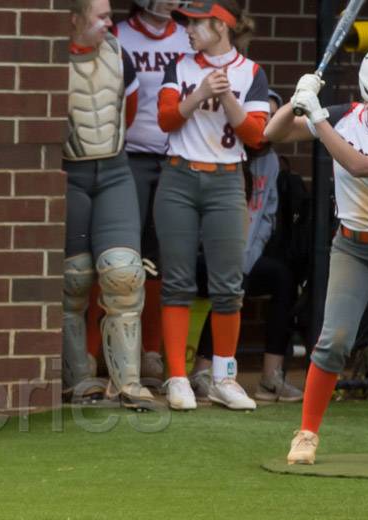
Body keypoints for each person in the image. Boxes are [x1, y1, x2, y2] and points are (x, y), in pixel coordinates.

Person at [265, 47, 368, 464]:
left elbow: (361, 165)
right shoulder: (344, 116)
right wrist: (298, 98)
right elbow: (273, 134)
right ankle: (307, 432)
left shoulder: (330, 121)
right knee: (333, 341)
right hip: (355, 245)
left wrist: (315, 116)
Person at [154, 0, 268, 411]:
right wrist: (201, 91)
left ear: (221, 25)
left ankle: (224, 377)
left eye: (196, 23)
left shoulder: (250, 72)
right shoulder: (181, 67)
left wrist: (227, 99)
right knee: (178, 280)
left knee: (227, 285)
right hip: (178, 176)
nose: (187, 29)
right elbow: (166, 118)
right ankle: (178, 378)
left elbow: (256, 136)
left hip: (225, 181)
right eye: (186, 22)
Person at [62, 0, 155, 409]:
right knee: (75, 278)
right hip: (70, 172)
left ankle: (127, 384)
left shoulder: (119, 54)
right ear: (74, 19)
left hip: (115, 169)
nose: (110, 22)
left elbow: (127, 111)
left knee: (123, 274)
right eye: (100, 16)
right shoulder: (51, 58)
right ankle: (77, 379)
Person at [190, 91, 304, 403]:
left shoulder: (269, 161)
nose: (264, 126)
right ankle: (202, 373)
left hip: (246, 256)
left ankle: (271, 377)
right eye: (259, 118)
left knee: (282, 277)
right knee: (231, 278)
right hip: (206, 255)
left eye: (271, 119)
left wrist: (245, 258)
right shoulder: (223, 152)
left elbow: (266, 218)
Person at [115, 0, 193, 383]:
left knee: (160, 258)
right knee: (122, 256)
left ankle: (150, 352)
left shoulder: (187, 36)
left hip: (176, 157)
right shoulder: (119, 34)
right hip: (129, 154)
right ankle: (114, 352)